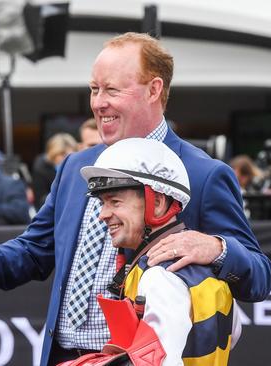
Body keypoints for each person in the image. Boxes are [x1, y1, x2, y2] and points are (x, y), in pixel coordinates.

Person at [0, 32, 271, 366]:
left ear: (154, 90)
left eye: (112, 89)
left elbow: (259, 278)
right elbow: (34, 252)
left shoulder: (204, 173)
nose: (99, 102)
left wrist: (217, 249)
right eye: (94, 89)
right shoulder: (75, 167)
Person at [65, 138, 240, 365]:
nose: (103, 214)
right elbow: (231, 336)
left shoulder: (160, 277)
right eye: (102, 204)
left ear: (157, 202)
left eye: (115, 202)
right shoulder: (209, 268)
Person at [32, 133, 77, 209]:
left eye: (70, 155)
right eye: (63, 154)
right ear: (53, 153)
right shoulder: (41, 169)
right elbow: (40, 200)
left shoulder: (77, 168)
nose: (67, 158)